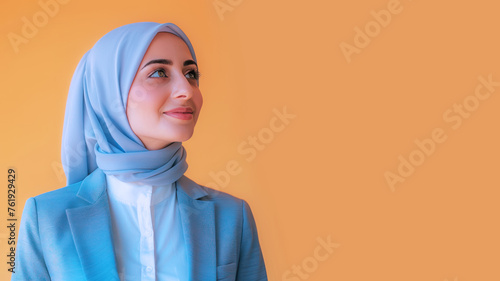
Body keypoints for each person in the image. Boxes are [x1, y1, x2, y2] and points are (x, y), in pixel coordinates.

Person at [12, 22, 268, 281]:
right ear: (109, 90)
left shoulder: (232, 216)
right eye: (159, 72)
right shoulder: (45, 217)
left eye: (191, 74)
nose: (186, 90)